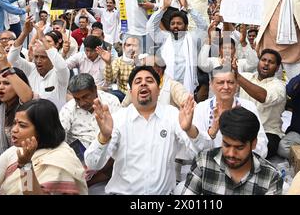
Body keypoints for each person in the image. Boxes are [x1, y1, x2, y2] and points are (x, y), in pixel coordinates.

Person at [84, 66, 211, 194]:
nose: (143, 83)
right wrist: (104, 137)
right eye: (138, 81)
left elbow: (203, 150)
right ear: (130, 91)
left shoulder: (171, 115)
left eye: (149, 81)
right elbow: (93, 163)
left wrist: (190, 130)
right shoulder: (118, 118)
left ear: (159, 90)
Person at [0, 99, 88, 194]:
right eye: (14, 123)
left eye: (22, 125)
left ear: (42, 129)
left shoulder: (60, 159)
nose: (14, 130)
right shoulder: (14, 151)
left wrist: (25, 166)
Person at [182, 106, 283, 195]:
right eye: (226, 145)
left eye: (239, 148)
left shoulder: (271, 177)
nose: (231, 154)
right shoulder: (203, 162)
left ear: (254, 144)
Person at [147, 0, 207, 93]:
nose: (175, 26)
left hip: (187, 88)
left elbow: (203, 26)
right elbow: (150, 26)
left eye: (179, 24)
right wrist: (163, 9)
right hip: (166, 87)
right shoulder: (165, 38)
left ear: (186, 26)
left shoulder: (192, 38)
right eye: (173, 24)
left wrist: (188, 8)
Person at [7, 17, 70, 110]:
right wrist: (24, 33)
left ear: (51, 58)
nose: (38, 60)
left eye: (43, 57)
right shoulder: (31, 69)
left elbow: (61, 66)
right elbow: (11, 59)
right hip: (31, 120)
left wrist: (43, 39)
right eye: (36, 57)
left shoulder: (60, 74)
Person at [235, 49, 286, 158]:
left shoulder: (279, 86)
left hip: (268, 132)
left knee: (254, 153)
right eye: (263, 60)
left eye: (271, 62)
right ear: (259, 62)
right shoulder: (246, 77)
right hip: (243, 128)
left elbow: (264, 97)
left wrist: (237, 77)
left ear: (277, 68)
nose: (266, 63)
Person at [60, 73, 120, 149]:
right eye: (77, 99)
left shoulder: (111, 101)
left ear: (95, 89)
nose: (82, 103)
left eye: (85, 97)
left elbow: (121, 132)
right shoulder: (68, 109)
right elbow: (59, 139)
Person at [121, 54, 189, 108]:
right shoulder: (137, 85)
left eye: (146, 67)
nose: (143, 69)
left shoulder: (173, 86)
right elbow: (123, 108)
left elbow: (189, 105)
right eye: (142, 66)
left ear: (158, 71)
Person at [99, 36, 140, 102]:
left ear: (139, 48)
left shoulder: (144, 60)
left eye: (135, 45)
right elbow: (110, 80)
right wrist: (108, 63)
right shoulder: (118, 61)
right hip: (123, 94)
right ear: (124, 47)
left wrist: (137, 63)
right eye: (128, 45)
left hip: (140, 93)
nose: (131, 48)